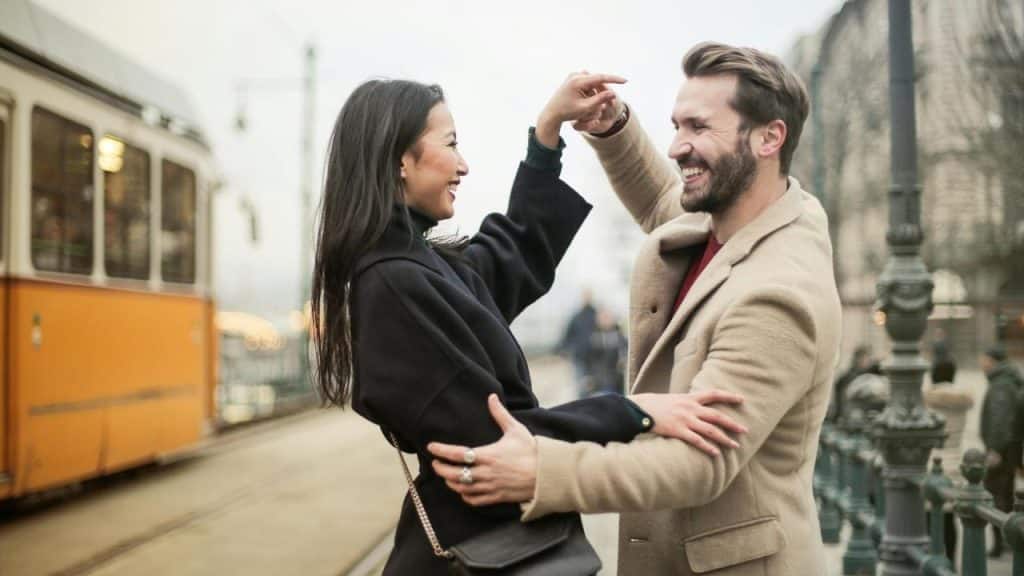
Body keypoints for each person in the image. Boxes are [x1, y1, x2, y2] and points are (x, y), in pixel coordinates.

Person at [429, 42, 842, 576]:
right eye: (676, 125)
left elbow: (699, 462)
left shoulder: (779, 292)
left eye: (698, 127)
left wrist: (541, 472)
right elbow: (660, 201)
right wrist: (612, 125)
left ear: (769, 137)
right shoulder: (729, 220)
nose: (676, 146)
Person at [310, 76, 747, 575]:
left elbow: (510, 253)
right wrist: (634, 412)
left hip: (485, 542)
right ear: (399, 162)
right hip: (480, 550)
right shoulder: (394, 284)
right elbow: (498, 441)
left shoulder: (416, 265)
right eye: (451, 144)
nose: (463, 165)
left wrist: (546, 135)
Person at [922, 340, 971, 564]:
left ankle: (933, 561)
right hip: (956, 461)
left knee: (930, 518)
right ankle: (951, 561)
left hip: (934, 463)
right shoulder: (961, 402)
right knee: (950, 519)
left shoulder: (929, 401)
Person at [979, 344, 1023, 558]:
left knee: (997, 496)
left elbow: (1000, 419)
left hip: (1001, 451)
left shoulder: (1001, 385)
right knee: (1004, 495)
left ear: (993, 361)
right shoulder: (1005, 381)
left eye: (984, 359)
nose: (981, 364)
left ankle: (1001, 543)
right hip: (1009, 450)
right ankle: (1006, 542)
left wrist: (994, 449)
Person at [558, 289, 598, 397]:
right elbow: (568, 334)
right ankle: (583, 404)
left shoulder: (597, 315)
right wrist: (562, 348)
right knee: (581, 383)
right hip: (579, 356)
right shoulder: (576, 317)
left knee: (595, 383)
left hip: (596, 357)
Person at [828, 345, 874, 422]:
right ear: (856, 359)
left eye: (867, 359)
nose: (866, 361)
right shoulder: (847, 377)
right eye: (864, 358)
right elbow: (841, 400)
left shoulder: (870, 375)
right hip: (849, 415)